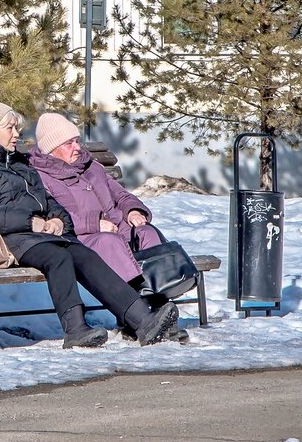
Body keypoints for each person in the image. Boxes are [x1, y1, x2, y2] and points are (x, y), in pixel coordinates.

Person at [0, 101, 180, 349]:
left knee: (83, 254)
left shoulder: (16, 164)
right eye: (10, 128)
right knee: (58, 258)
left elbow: (47, 200)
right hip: (3, 239)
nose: (16, 134)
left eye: (16, 128)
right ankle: (75, 329)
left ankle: (143, 320)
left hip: (35, 236)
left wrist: (58, 219)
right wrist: (30, 222)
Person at [29, 112, 188, 342]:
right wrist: (94, 223)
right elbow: (53, 216)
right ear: (51, 149)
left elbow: (121, 195)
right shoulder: (42, 177)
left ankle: (159, 307)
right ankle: (137, 316)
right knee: (109, 242)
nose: (77, 147)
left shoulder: (91, 167)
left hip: (116, 227)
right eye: (69, 143)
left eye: (77, 140)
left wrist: (133, 210)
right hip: (80, 238)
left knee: (146, 233)